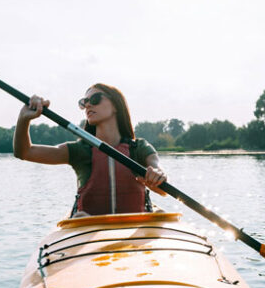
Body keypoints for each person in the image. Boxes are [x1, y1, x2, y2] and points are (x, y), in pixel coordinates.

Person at [13, 83, 167, 216]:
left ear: (116, 105)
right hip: (88, 226)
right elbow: (25, 152)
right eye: (84, 102)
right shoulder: (80, 150)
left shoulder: (139, 148)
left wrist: (157, 176)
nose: (87, 105)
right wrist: (23, 119)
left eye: (95, 99)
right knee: (80, 216)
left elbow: (161, 182)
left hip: (136, 224)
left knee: (161, 214)